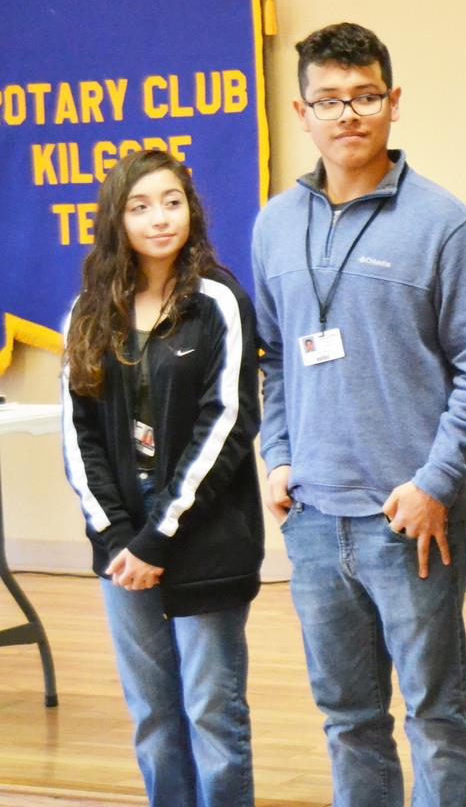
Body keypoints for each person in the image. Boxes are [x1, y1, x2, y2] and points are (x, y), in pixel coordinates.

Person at [252, 22, 466, 807]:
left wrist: (435, 484)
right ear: (302, 113)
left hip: (411, 519)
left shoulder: (446, 225)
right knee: (348, 717)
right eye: (329, 100)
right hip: (312, 516)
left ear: (393, 102)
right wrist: (278, 455)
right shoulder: (273, 225)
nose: (348, 115)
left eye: (365, 96)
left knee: (435, 713)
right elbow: (273, 357)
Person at [60, 149, 262, 806]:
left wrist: (158, 538)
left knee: (212, 714)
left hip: (206, 534)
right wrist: (121, 539)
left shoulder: (219, 301)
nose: (160, 219)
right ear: (117, 220)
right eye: (141, 206)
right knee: (152, 716)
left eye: (173, 202)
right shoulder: (89, 312)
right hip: (124, 548)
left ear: (192, 211)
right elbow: (80, 438)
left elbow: (228, 422)